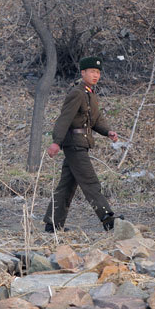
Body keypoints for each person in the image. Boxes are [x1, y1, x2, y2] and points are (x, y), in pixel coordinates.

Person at [43, 56, 121, 232]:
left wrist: (107, 131)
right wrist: (56, 142)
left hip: (81, 144)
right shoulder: (77, 93)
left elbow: (96, 119)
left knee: (67, 185)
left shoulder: (89, 93)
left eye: (98, 72)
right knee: (90, 182)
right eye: (92, 72)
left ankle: (52, 224)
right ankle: (107, 218)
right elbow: (64, 119)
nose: (96, 75)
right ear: (83, 72)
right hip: (74, 145)